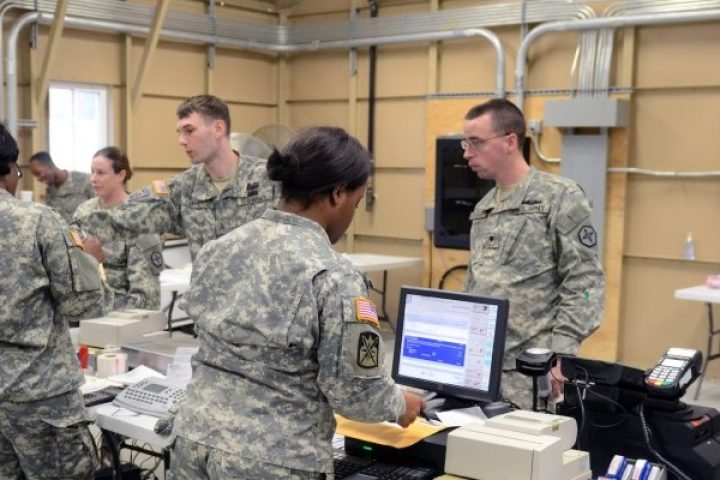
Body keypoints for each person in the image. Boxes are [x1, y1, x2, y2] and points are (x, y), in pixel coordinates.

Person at [167, 127, 425, 480]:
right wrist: (399, 402)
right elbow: (356, 392)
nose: (352, 215)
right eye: (356, 203)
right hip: (271, 461)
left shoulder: (219, 250)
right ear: (338, 194)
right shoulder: (334, 276)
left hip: (193, 443)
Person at [461, 98, 605, 409]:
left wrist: (563, 354)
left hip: (531, 372)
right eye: (465, 143)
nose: (467, 153)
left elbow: (585, 284)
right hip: (482, 366)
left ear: (510, 141)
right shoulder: (484, 209)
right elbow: (476, 285)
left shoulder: (559, 197)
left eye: (476, 142)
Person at [0, 124, 111, 479]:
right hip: (41, 396)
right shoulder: (37, 221)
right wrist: (92, 262)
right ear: (8, 169)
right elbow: (83, 305)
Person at [85, 94, 280, 261]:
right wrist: (83, 238)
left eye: (189, 131)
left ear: (218, 129)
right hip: (208, 295)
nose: (182, 141)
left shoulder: (269, 179)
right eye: (179, 132)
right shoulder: (184, 188)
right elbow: (128, 213)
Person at [74, 146, 163, 310]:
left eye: (101, 173)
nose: (93, 179)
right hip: (80, 307)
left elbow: (145, 297)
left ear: (121, 175)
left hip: (117, 313)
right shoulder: (84, 211)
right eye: (92, 172)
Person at [28, 151, 94, 223]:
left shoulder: (84, 180)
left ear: (50, 166)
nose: (38, 179)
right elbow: (51, 216)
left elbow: (97, 210)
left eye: (38, 173)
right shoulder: (50, 190)